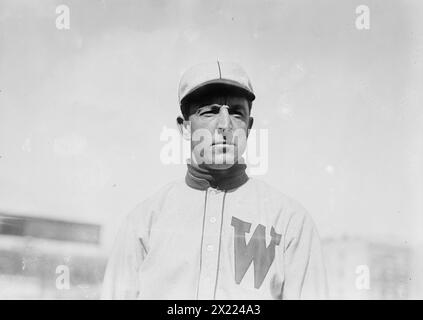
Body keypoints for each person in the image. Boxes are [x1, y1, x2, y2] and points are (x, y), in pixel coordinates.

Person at [101, 61, 328, 299]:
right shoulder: (143, 221)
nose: (224, 125)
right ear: (184, 127)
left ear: (249, 127)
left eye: (236, 113)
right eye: (209, 111)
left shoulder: (289, 220)